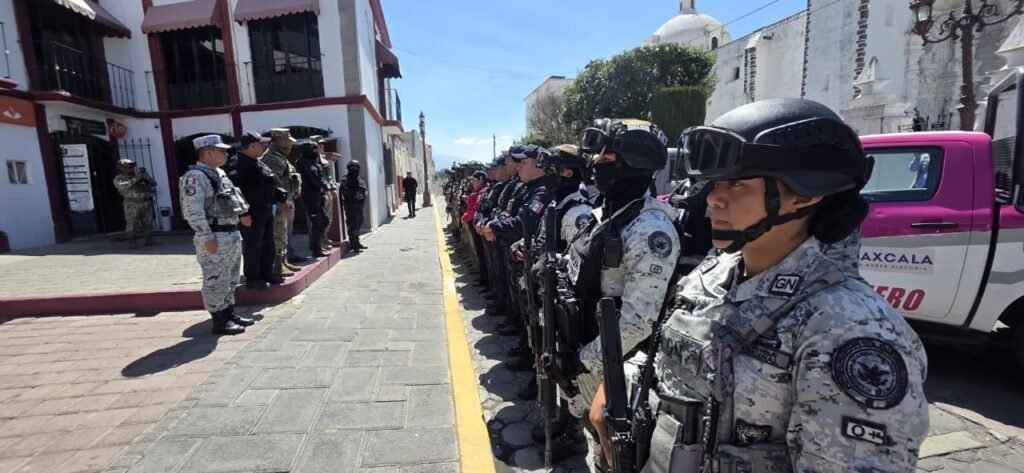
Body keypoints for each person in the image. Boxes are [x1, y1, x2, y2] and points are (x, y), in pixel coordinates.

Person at [599, 98, 928, 472]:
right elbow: (673, 357)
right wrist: (619, 384)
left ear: (805, 193)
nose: (713, 198)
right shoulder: (715, 272)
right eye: (714, 183)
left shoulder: (848, 328)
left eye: (736, 184)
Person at [556, 119, 681, 468]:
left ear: (635, 163)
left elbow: (639, 321)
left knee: (613, 455)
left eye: (607, 158)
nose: (596, 165)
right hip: (586, 349)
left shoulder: (649, 228)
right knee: (594, 436)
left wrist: (581, 361)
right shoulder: (605, 213)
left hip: (615, 366)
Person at [179, 135, 254, 335]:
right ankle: (219, 320)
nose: (226, 154)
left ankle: (229, 313)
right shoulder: (194, 177)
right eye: (222, 151)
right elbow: (192, 210)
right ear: (208, 152)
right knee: (215, 279)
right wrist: (206, 236)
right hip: (215, 235)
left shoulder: (219, 173)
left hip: (231, 233)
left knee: (230, 277)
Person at [228, 131, 283, 289]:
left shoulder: (257, 162)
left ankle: (266, 273)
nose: (264, 147)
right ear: (252, 146)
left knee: (268, 244)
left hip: (265, 208)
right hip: (251, 212)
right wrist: (243, 213)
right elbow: (235, 191)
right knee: (253, 245)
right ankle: (253, 278)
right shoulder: (238, 163)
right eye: (261, 144)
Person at [262, 128, 303, 277]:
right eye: (287, 141)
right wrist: (283, 201)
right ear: (279, 140)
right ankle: (277, 265)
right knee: (278, 233)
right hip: (278, 202)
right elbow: (275, 183)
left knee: (284, 232)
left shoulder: (280, 157)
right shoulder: (273, 158)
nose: (290, 144)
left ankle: (283, 261)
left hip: (285, 200)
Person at [113, 159, 158, 248]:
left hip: (146, 202)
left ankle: (149, 239)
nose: (131, 169)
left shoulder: (138, 176)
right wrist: (136, 179)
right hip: (132, 203)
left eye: (132, 167)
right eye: (128, 167)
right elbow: (123, 186)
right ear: (121, 168)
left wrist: (147, 178)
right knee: (132, 223)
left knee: (148, 222)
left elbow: (154, 184)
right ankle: (132, 241)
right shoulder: (119, 178)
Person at [297, 141, 330, 258]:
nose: (317, 152)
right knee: (317, 223)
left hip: (317, 196)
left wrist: (326, 185)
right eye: (314, 149)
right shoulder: (303, 163)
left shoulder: (314, 162)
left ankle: (319, 244)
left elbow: (322, 176)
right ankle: (316, 249)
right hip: (310, 197)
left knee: (325, 220)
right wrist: (324, 185)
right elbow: (314, 178)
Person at [310, 135, 337, 253]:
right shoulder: (311, 160)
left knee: (328, 218)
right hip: (318, 193)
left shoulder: (324, 160)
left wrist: (332, 188)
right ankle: (318, 242)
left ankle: (324, 237)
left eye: (322, 145)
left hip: (327, 191)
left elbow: (328, 176)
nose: (321, 147)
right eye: (319, 145)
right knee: (319, 220)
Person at [340, 160, 369, 253]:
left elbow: (364, 189)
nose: (355, 169)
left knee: (360, 222)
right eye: (353, 167)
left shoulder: (359, 179)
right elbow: (344, 190)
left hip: (360, 205)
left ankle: (357, 241)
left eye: (356, 167)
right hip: (351, 205)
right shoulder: (345, 179)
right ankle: (353, 244)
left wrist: (363, 194)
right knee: (353, 224)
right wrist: (354, 194)